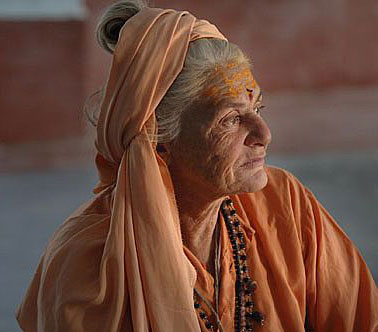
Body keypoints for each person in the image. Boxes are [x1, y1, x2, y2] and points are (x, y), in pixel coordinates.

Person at [16, 1, 378, 331]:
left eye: (258, 109)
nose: (264, 134)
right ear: (158, 140)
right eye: (231, 119)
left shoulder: (286, 204)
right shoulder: (87, 268)